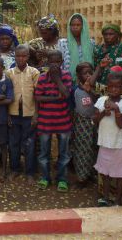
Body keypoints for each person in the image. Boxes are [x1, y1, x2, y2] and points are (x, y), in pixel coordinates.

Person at [35, 50, 72, 192]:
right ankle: (45, 177)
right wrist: (56, 98)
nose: (55, 65)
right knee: (44, 153)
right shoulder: (43, 78)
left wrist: (57, 79)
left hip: (63, 122)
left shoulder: (66, 76)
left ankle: (62, 179)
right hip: (45, 122)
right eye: (52, 62)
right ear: (47, 63)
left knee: (64, 153)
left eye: (57, 62)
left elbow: (67, 94)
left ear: (62, 62)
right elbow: (38, 97)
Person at [93, 72, 122, 206]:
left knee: (120, 174)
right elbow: (95, 121)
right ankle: (105, 197)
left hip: (118, 144)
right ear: (107, 87)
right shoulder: (101, 100)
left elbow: (121, 125)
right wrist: (104, 112)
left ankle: (118, 200)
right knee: (105, 172)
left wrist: (116, 111)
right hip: (104, 142)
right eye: (111, 86)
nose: (114, 89)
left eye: (118, 87)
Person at [6, 44, 39, 183]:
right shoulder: (9, 73)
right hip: (13, 114)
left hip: (29, 114)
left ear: (28, 57)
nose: (20, 58)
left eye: (23, 56)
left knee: (29, 144)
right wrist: (7, 114)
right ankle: (14, 169)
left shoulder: (34, 73)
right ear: (14, 56)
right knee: (13, 144)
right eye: (18, 56)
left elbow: (37, 95)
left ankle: (30, 172)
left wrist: (36, 115)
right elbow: (6, 95)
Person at [71, 62, 99, 188]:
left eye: (90, 73)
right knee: (82, 150)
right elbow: (72, 108)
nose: (88, 76)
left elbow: (99, 103)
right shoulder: (75, 90)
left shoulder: (97, 89)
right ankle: (81, 178)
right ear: (78, 75)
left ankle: (91, 174)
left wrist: (91, 91)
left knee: (94, 149)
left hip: (96, 123)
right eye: (84, 73)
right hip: (81, 124)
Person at [94, 24, 122, 90]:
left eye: (111, 34)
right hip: (98, 87)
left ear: (117, 35)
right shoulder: (97, 50)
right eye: (105, 34)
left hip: (116, 88)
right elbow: (93, 68)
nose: (108, 36)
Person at [58, 13, 94, 82]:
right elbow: (61, 64)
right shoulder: (63, 43)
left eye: (78, 25)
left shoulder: (91, 43)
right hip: (67, 81)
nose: (75, 27)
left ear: (83, 26)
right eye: (72, 25)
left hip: (87, 81)